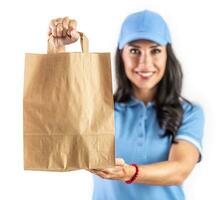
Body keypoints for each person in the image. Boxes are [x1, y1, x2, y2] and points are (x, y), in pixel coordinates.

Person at [48, 10, 205, 200]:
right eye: (134, 51)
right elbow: (58, 119)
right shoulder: (101, 109)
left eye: (155, 50)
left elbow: (180, 169)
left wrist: (129, 172)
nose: (145, 62)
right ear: (121, 55)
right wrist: (57, 50)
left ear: (167, 55)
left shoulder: (189, 112)